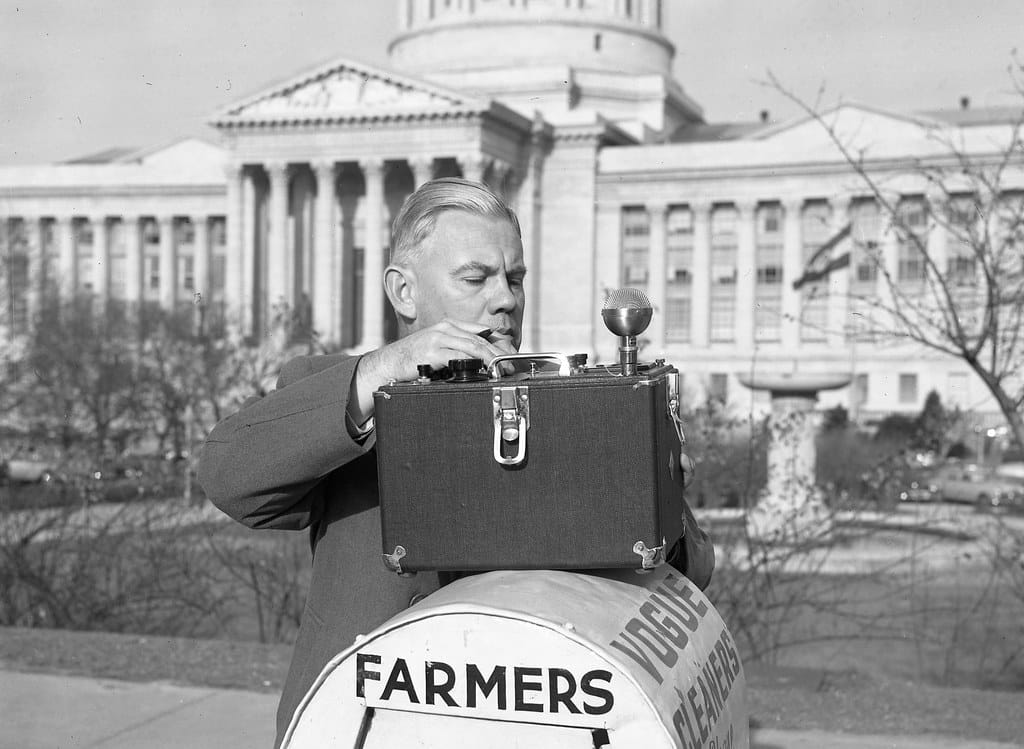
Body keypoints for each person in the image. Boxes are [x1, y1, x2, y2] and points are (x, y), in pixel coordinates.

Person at [197, 177, 712, 748]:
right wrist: (381, 372)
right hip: (357, 728)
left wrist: (663, 494)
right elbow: (227, 477)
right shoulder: (340, 391)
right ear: (404, 293)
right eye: (476, 277)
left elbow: (687, 576)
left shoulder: (573, 408)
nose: (507, 298)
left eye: (514, 278)